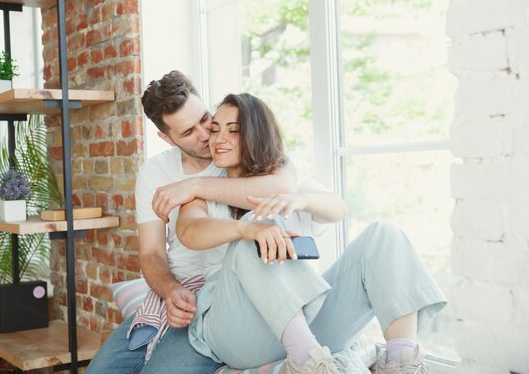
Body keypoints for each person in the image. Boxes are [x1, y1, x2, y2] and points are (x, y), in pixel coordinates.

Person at [176, 93, 447, 374]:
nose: (219, 139)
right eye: (215, 129)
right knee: (259, 230)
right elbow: (189, 230)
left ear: (256, 135)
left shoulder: (287, 183)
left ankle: (402, 362)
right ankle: (309, 366)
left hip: (303, 327)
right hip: (238, 332)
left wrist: (302, 200)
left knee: (385, 234)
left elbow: (338, 209)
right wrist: (246, 229)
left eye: (233, 131)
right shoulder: (205, 191)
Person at [85, 71, 295, 374]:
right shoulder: (154, 173)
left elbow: (283, 186)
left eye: (205, 119)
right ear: (166, 138)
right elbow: (151, 253)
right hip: (176, 291)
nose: (206, 135)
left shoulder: (244, 154)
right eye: (188, 132)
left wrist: (195, 186)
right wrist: (170, 292)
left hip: (222, 295)